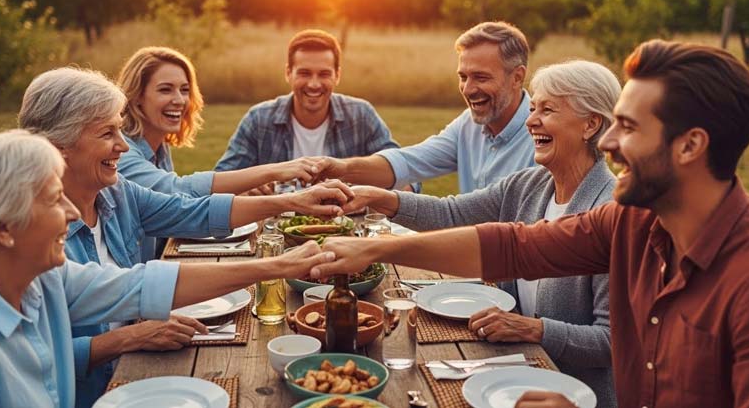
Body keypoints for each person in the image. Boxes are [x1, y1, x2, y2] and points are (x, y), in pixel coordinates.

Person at [314, 40, 749, 408]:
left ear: (690, 145)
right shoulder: (630, 222)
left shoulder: (743, 280)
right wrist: (379, 248)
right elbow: (512, 245)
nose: (612, 143)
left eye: (630, 127)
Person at [18, 67, 352, 408]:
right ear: (58, 147)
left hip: (141, 365)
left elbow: (194, 213)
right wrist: (126, 338)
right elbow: (36, 355)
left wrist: (291, 201)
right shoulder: (35, 240)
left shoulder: (116, 193)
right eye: (107, 133)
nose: (122, 145)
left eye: (119, 129)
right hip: (97, 391)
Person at [0, 129, 336, 408]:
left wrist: (278, 265)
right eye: (55, 201)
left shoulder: (45, 278)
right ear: (1, 228)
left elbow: (141, 285)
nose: (70, 213)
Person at [345, 60, 620, 407]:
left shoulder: (609, 214)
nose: (531, 121)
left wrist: (535, 330)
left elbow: (612, 342)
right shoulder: (529, 185)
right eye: (532, 108)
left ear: (591, 124)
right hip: (514, 379)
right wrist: (380, 198)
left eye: (547, 110)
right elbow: (452, 213)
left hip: (573, 395)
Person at [117, 46, 329, 261]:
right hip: (132, 281)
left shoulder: (159, 147)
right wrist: (276, 173)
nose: (180, 100)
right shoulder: (122, 153)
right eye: (165, 89)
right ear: (136, 97)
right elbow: (177, 193)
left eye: (184, 90)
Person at [314, 21, 536, 194]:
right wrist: (339, 168)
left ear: (517, 77)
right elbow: (410, 161)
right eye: (463, 77)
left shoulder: (543, 136)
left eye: (481, 77)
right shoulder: (467, 125)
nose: (468, 89)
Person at [213, 29, 403, 172]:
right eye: (304, 73)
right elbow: (221, 179)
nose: (314, 84)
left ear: (337, 75)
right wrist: (246, 189)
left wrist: (384, 188)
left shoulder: (361, 115)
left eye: (324, 74)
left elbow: (404, 173)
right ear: (288, 73)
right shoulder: (258, 120)